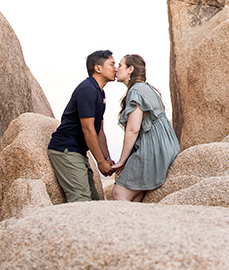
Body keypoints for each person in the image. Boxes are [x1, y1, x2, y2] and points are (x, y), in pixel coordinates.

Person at [47, 50, 115, 202]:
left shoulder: (99, 93)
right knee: (81, 200)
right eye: (111, 64)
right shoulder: (87, 90)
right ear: (98, 68)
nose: (115, 68)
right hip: (66, 149)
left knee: (94, 199)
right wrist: (100, 162)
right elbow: (88, 129)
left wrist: (107, 157)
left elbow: (99, 131)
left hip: (77, 151)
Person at [111, 54, 180, 202]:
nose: (117, 69)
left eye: (121, 65)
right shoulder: (146, 88)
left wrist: (122, 160)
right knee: (136, 197)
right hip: (167, 145)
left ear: (130, 69)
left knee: (119, 192)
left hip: (154, 148)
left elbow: (133, 129)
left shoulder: (136, 91)